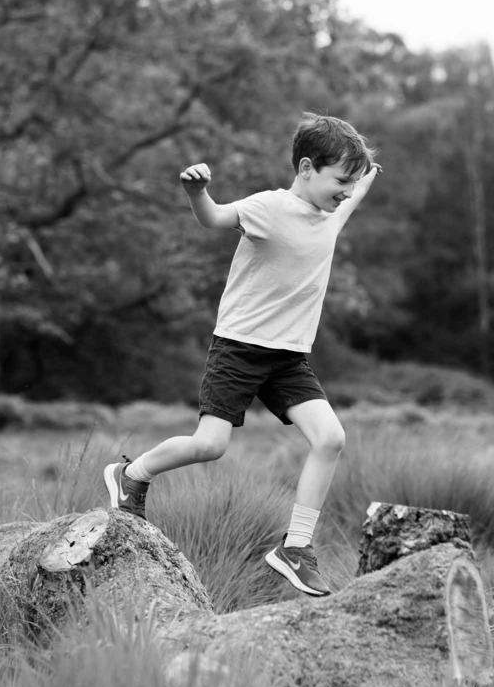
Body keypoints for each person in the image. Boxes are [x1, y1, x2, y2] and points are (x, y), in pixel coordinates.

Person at [104, 112, 381, 597]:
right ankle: (130, 475)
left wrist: (366, 174)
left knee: (330, 438)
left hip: (288, 358)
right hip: (240, 348)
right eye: (339, 180)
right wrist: (196, 192)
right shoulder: (269, 208)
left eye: (351, 183)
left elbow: (355, 192)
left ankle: (295, 547)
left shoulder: (332, 211)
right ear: (305, 168)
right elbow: (213, 218)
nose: (346, 191)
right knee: (210, 445)